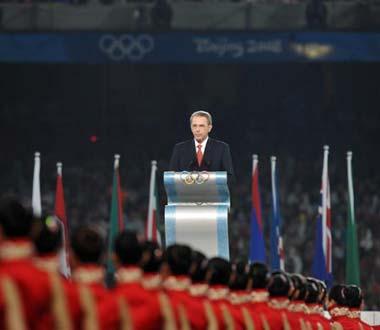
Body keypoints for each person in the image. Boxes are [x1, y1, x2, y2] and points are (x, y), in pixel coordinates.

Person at [169, 111, 234, 179]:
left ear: (209, 128)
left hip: (212, 190)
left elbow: (230, 178)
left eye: (201, 126)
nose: (197, 129)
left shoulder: (222, 148)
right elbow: (171, 178)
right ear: (191, 127)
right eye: (194, 126)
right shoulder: (179, 148)